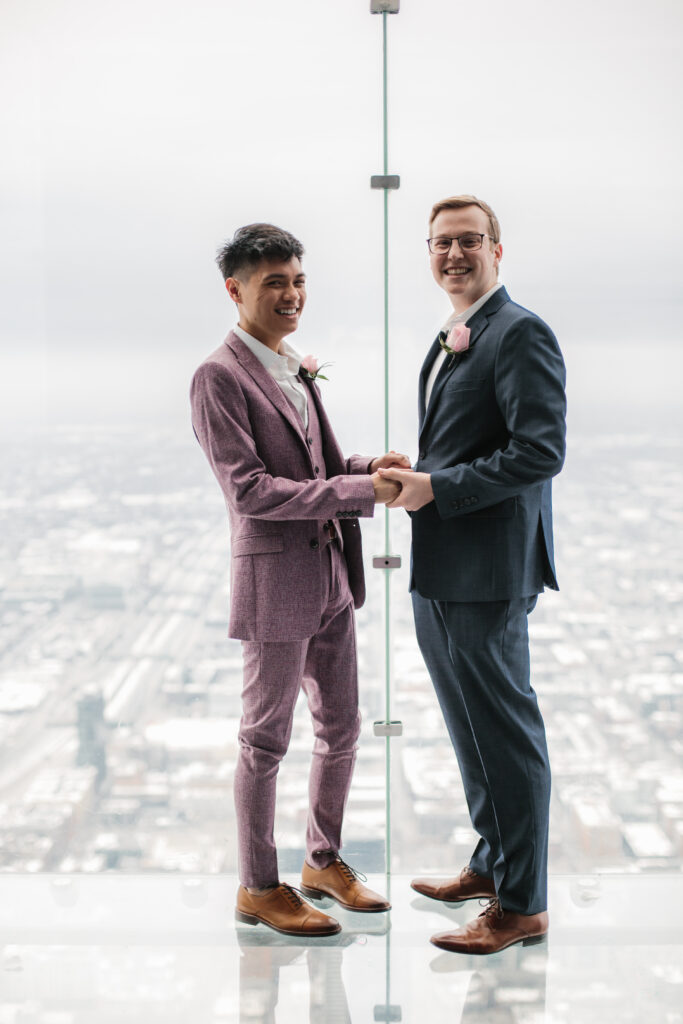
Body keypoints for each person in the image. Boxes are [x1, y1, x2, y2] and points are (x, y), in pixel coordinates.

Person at [190, 223, 406, 937]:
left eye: (298, 281)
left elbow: (325, 469)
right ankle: (258, 885)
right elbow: (249, 491)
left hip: (332, 581)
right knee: (264, 741)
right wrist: (356, 495)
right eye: (274, 282)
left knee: (342, 729)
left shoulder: (292, 367)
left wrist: (374, 472)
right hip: (276, 587)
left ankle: (322, 860)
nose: (290, 295)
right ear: (236, 290)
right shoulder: (218, 376)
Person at [378, 195, 566, 954]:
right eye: (439, 243)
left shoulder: (519, 332)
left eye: (467, 241)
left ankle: (522, 906)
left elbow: (539, 451)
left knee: (505, 735)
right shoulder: (459, 334)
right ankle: (494, 864)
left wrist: (437, 489)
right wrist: (414, 471)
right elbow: (464, 443)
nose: (452, 254)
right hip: (443, 566)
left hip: (487, 569)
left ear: (496, 248)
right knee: (469, 732)